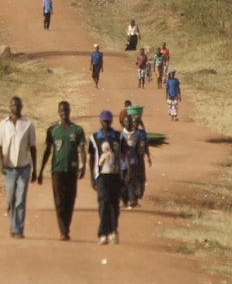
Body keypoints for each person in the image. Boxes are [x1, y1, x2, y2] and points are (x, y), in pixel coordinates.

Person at [36, 101, 88, 241]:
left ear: (70, 111)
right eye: (61, 110)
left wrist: (84, 166)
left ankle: (66, 227)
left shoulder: (77, 130)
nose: (64, 113)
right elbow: (48, 151)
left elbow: (82, 150)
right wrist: (41, 171)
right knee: (59, 200)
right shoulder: (53, 130)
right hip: (57, 170)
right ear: (58, 112)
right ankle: (63, 231)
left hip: (72, 169)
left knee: (70, 200)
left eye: (66, 110)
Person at [0, 97, 37, 239]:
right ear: (10, 107)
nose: (16, 108)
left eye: (18, 105)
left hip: (24, 167)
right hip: (9, 168)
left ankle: (18, 229)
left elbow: (33, 147)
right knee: (10, 199)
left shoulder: (28, 124)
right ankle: (13, 224)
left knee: (21, 199)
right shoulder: (3, 125)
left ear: (22, 107)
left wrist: (35, 169)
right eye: (13, 105)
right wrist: (1, 165)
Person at [90, 110, 125, 245]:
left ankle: (113, 230)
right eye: (104, 121)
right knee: (103, 203)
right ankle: (103, 232)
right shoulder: (95, 138)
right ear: (100, 121)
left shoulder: (118, 136)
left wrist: (125, 172)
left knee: (114, 205)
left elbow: (124, 154)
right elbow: (92, 157)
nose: (106, 123)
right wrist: (92, 177)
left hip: (115, 175)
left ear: (111, 121)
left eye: (108, 121)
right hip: (101, 176)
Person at [124, 107, 152, 208]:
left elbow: (146, 146)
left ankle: (137, 196)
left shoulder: (141, 133)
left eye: (136, 123)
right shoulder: (129, 134)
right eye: (133, 123)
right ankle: (132, 198)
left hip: (140, 159)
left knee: (141, 178)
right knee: (132, 179)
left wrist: (148, 156)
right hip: (133, 160)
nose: (134, 124)